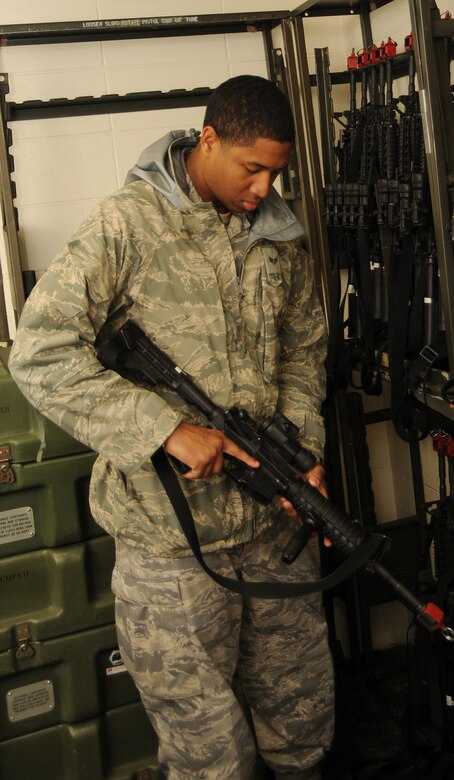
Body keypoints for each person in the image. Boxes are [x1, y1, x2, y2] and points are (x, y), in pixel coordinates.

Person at [9, 75, 334, 779]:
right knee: (210, 757)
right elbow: (39, 354)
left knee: (303, 727)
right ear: (208, 140)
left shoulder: (279, 235)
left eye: (276, 171)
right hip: (172, 551)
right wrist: (160, 428)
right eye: (252, 168)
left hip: (275, 530)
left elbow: (306, 345)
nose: (263, 186)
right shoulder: (128, 224)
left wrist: (301, 446)